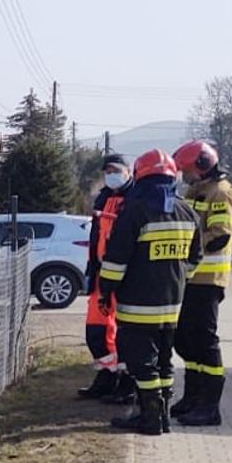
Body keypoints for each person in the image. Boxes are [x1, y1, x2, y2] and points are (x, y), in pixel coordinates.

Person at [97, 149, 201, 436]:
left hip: (137, 305)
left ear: (140, 177)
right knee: (165, 361)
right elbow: (196, 256)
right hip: (172, 305)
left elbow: (116, 261)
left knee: (142, 364)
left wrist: (106, 291)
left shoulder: (135, 211)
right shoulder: (187, 211)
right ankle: (163, 416)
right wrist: (179, 278)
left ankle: (150, 418)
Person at [169, 140, 232, 427]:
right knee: (186, 340)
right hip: (189, 277)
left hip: (208, 279)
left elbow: (221, 235)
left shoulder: (221, 193)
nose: (184, 175)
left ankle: (210, 406)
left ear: (202, 166)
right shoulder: (194, 190)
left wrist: (189, 250)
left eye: (186, 170)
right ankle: (193, 398)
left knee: (204, 340)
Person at [80, 154, 135, 402]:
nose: (110, 174)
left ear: (127, 171)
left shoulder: (135, 198)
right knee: (96, 331)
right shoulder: (104, 197)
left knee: (123, 334)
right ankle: (105, 376)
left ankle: (125, 382)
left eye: (115, 170)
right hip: (101, 272)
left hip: (125, 276)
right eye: (107, 171)